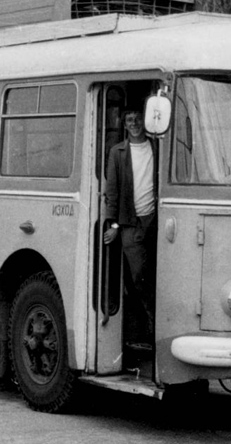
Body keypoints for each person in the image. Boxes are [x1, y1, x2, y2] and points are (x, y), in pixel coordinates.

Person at [103, 108, 157, 351]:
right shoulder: (117, 152)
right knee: (138, 276)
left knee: (157, 274)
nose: (134, 124)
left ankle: (155, 326)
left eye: (137, 120)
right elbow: (112, 192)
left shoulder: (157, 147)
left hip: (155, 220)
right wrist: (113, 224)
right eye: (129, 121)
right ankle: (150, 321)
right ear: (124, 125)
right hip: (129, 223)